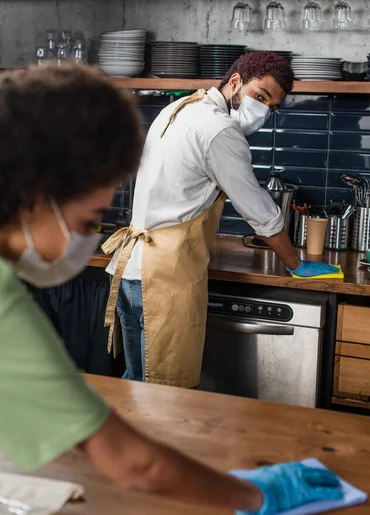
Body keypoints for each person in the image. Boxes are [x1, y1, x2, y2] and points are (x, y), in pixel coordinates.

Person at [0, 63, 343, 515]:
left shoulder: (178, 111)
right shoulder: (6, 307)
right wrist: (256, 495)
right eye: (88, 222)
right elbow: (135, 462)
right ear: (32, 195)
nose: (85, 240)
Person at [105, 51, 339, 386]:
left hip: (129, 271)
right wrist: (296, 264)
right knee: (165, 391)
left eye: (271, 107)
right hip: (164, 278)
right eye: (260, 96)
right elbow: (260, 212)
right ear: (235, 82)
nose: (263, 111)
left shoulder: (179, 108)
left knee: (136, 383)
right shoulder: (221, 130)